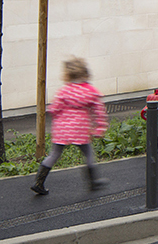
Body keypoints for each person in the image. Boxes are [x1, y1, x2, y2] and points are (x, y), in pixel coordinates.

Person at [32, 56, 108, 195]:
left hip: (61, 130)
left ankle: (39, 183)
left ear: (67, 75)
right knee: (88, 153)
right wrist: (100, 127)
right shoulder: (91, 91)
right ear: (86, 74)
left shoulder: (64, 91)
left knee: (54, 154)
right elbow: (99, 111)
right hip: (80, 129)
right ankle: (93, 182)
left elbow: (54, 109)